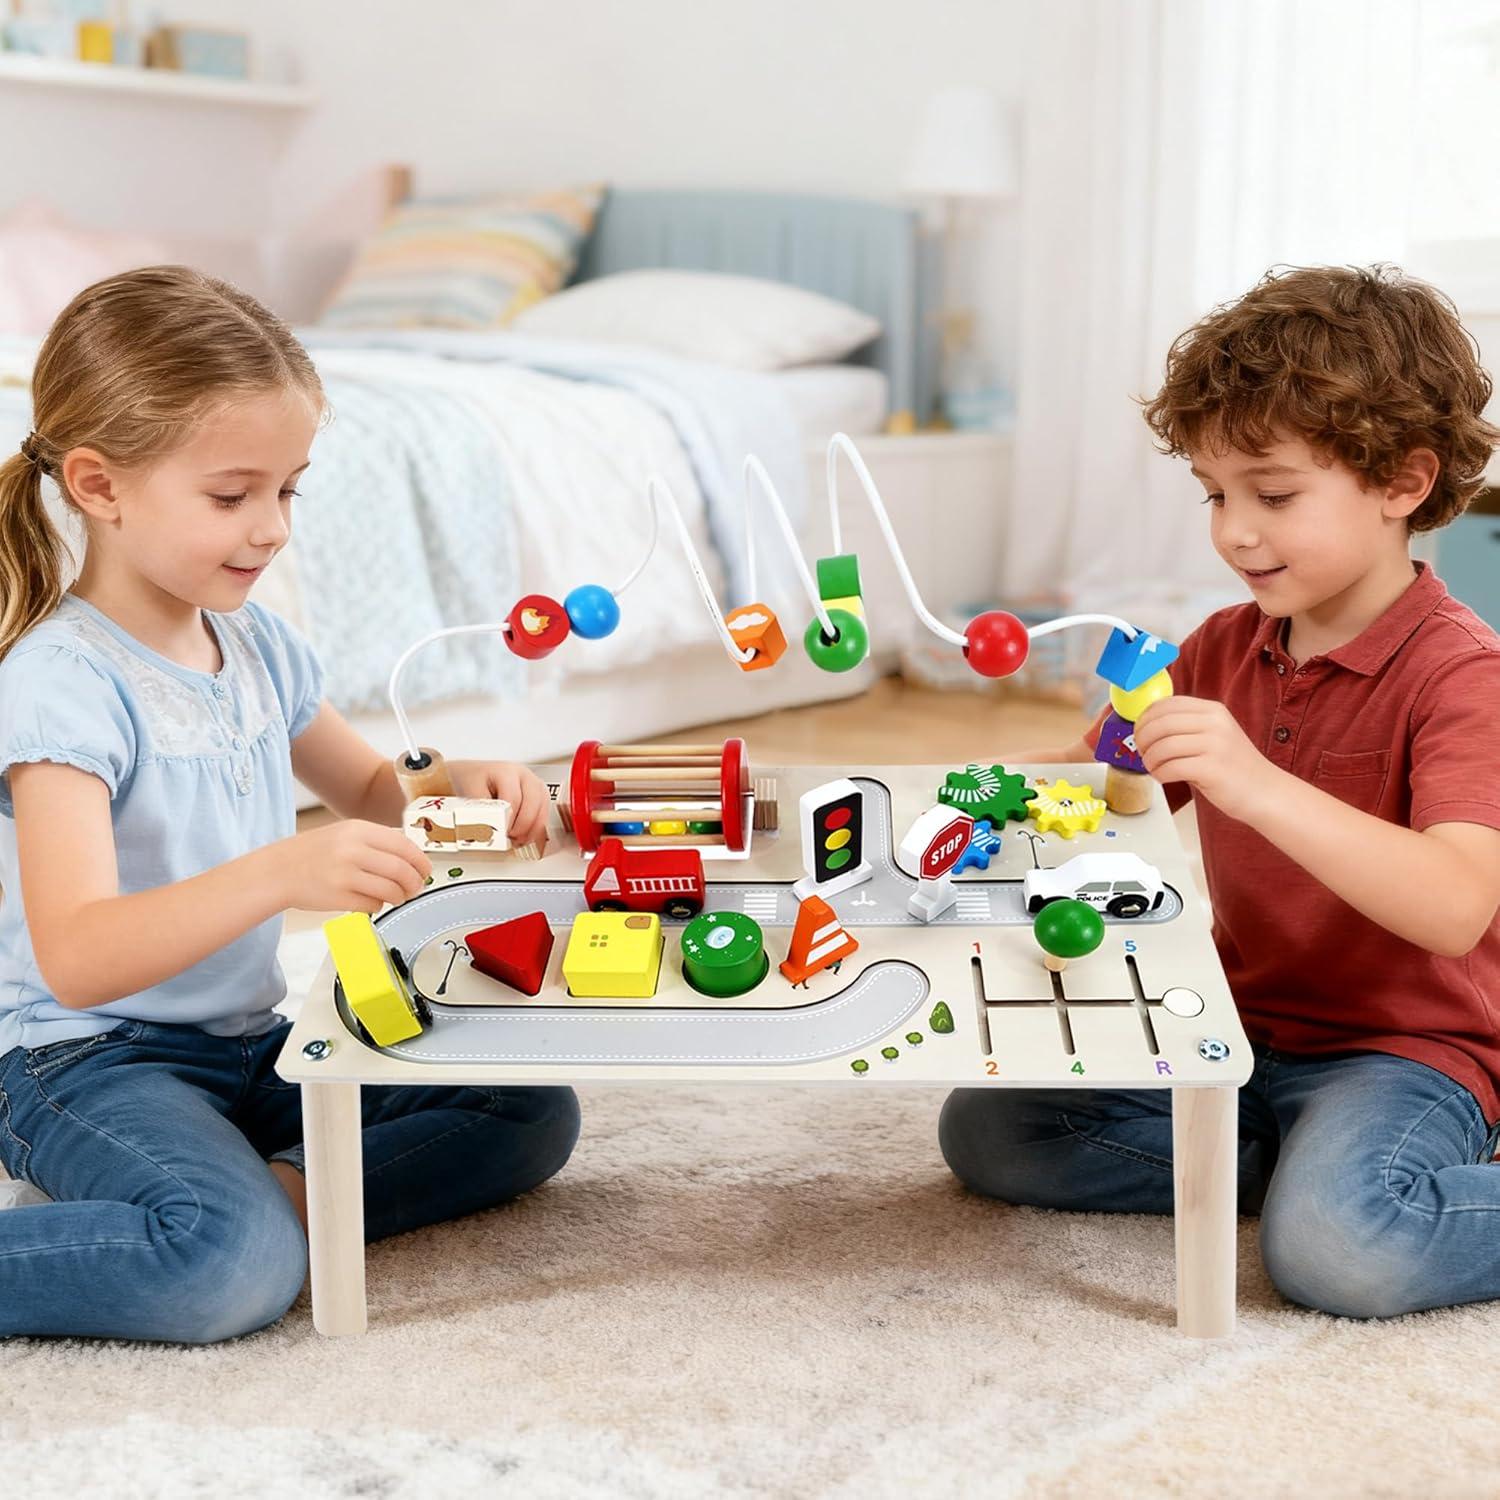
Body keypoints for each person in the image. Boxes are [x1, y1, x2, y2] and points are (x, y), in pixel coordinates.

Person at [0, 266, 579, 1342]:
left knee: (528, 1105)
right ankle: (232, 1228)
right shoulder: (59, 682)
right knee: (222, 1273)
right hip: (82, 1059)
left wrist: (462, 782)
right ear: (97, 484)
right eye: (232, 495)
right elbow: (75, 955)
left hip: (247, 1039)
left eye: (287, 490)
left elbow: (370, 789)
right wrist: (280, 872)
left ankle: (243, 1208)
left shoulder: (258, 642)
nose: (271, 529)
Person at [941, 265, 1500, 1318]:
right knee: (997, 1127)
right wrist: (1077, 769)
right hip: (1235, 1027)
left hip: (1400, 1049)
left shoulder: (1464, 675)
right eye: (1216, 494)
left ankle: (1337, 1185)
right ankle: (1297, 1171)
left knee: (1347, 1255)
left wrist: (1253, 780)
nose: (1234, 532)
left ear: (1402, 482)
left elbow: (1457, 900)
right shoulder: (1220, 646)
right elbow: (1108, 803)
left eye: (1274, 495)